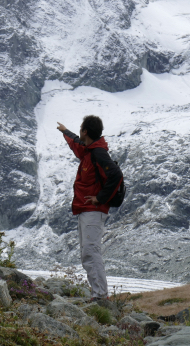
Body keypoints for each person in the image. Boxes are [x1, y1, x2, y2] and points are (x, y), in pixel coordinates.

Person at [56, 115, 122, 301]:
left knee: (91, 251)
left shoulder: (97, 153)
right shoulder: (89, 150)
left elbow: (115, 175)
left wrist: (100, 198)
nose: (79, 131)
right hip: (87, 211)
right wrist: (65, 131)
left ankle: (100, 296)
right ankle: (98, 293)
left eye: (80, 128)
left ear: (85, 131)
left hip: (93, 211)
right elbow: (77, 144)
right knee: (88, 251)